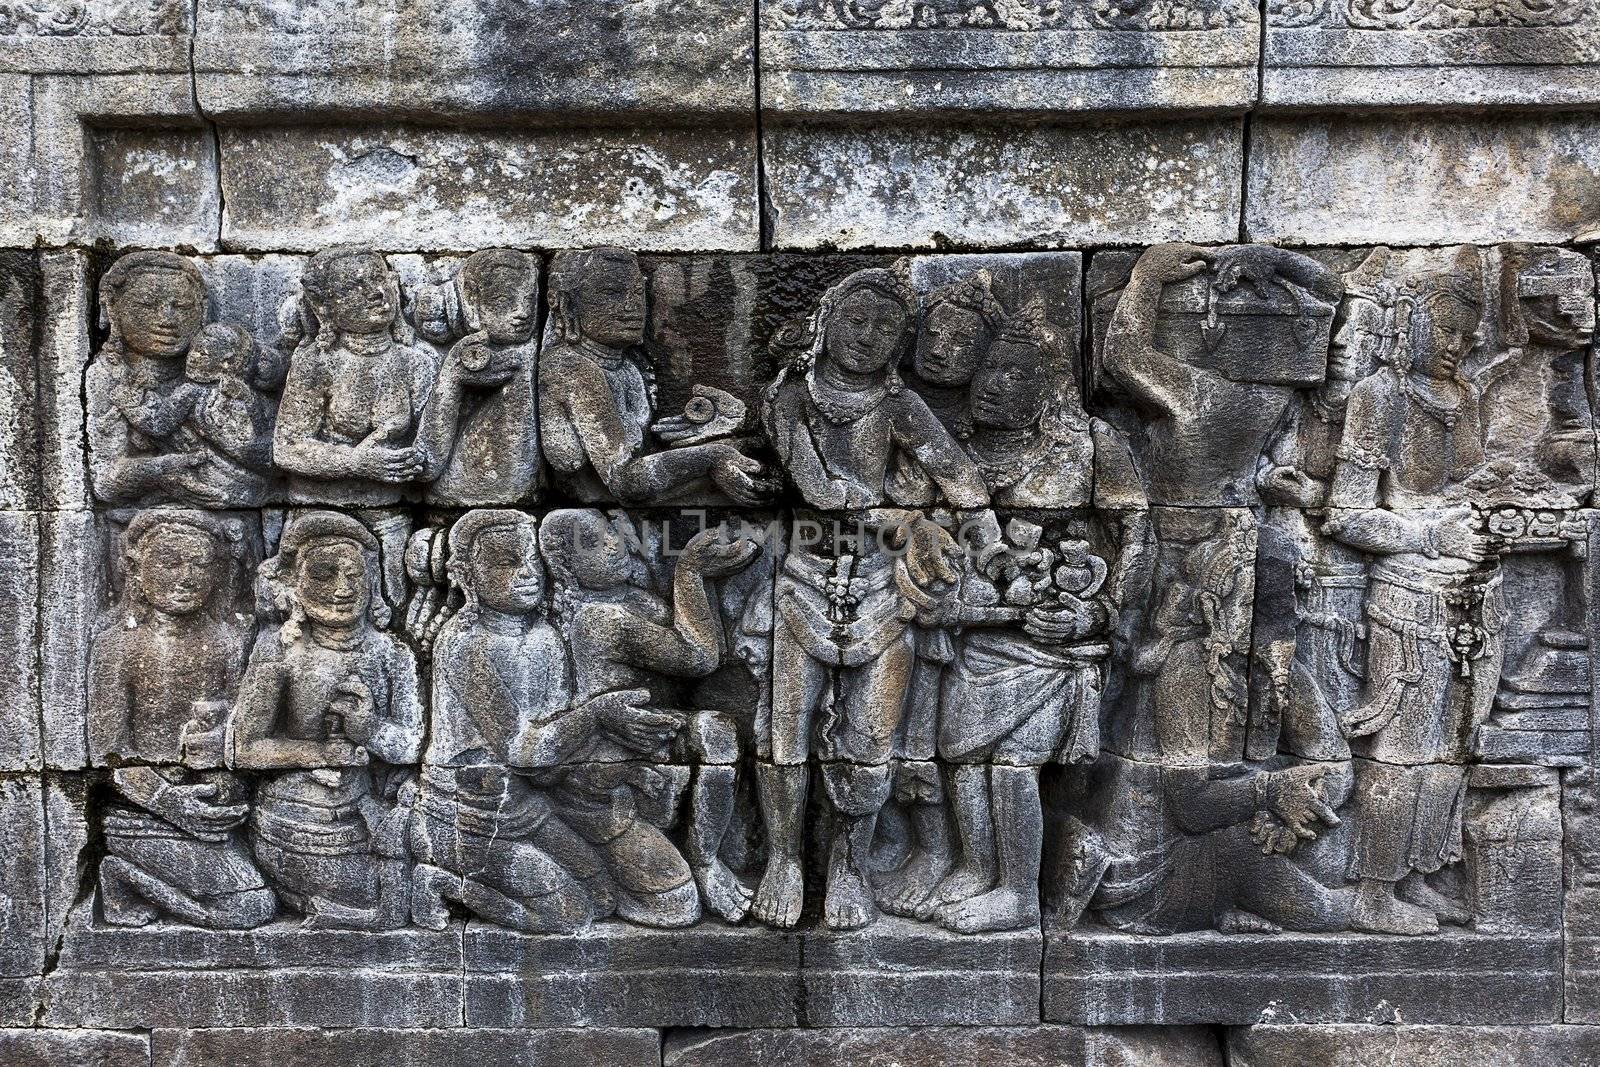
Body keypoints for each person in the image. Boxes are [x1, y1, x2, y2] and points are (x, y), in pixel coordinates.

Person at [1324, 255, 1504, 935]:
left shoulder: (1471, 399)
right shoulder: (1381, 395)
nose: (1458, 343)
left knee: (1454, 745)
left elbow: (1475, 489)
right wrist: (1427, 535)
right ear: (1410, 321)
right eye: (1446, 328)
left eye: (1469, 331)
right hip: (1408, 602)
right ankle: (1373, 891)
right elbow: (1345, 513)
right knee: (1401, 750)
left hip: (1479, 599)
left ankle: (1423, 870)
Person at [228, 511, 424, 929]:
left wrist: (369, 730)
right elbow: (244, 747)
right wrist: (317, 753)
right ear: (294, 584)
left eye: (354, 575)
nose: (342, 589)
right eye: (324, 575)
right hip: (298, 818)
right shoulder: (280, 652)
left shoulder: (392, 654)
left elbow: (411, 743)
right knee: (384, 892)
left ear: (372, 580)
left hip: (371, 814)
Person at [89, 510, 274, 929]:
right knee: (251, 908)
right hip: (142, 809)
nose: (187, 577)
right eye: (171, 563)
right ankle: (120, 878)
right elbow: (110, 756)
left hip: (214, 805)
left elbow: (244, 732)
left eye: (200, 564)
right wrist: (168, 801)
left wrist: (224, 758)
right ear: (137, 570)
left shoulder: (228, 641)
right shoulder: (120, 646)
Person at [539, 247, 768, 505]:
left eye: (638, 293)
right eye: (611, 293)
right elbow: (624, 480)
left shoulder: (630, 367)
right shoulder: (570, 369)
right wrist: (712, 458)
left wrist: (731, 432)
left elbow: (647, 460)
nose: (631, 306)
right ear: (568, 305)